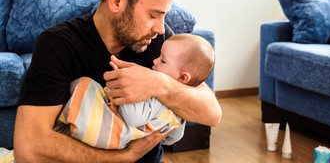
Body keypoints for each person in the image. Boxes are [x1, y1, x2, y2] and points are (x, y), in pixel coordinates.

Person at [14, 0, 222, 163]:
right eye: (153, 14)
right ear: (116, 0)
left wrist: (159, 84)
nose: (161, 28)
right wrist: (124, 157)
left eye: (163, 16)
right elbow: (29, 147)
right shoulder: (58, 45)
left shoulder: (158, 42)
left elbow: (212, 114)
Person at [56, 33, 215, 149]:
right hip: (118, 141)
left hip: (110, 135)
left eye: (163, 60)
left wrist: (121, 83)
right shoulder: (180, 111)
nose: (155, 60)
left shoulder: (158, 96)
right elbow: (173, 137)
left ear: (183, 77)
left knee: (84, 86)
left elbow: (133, 117)